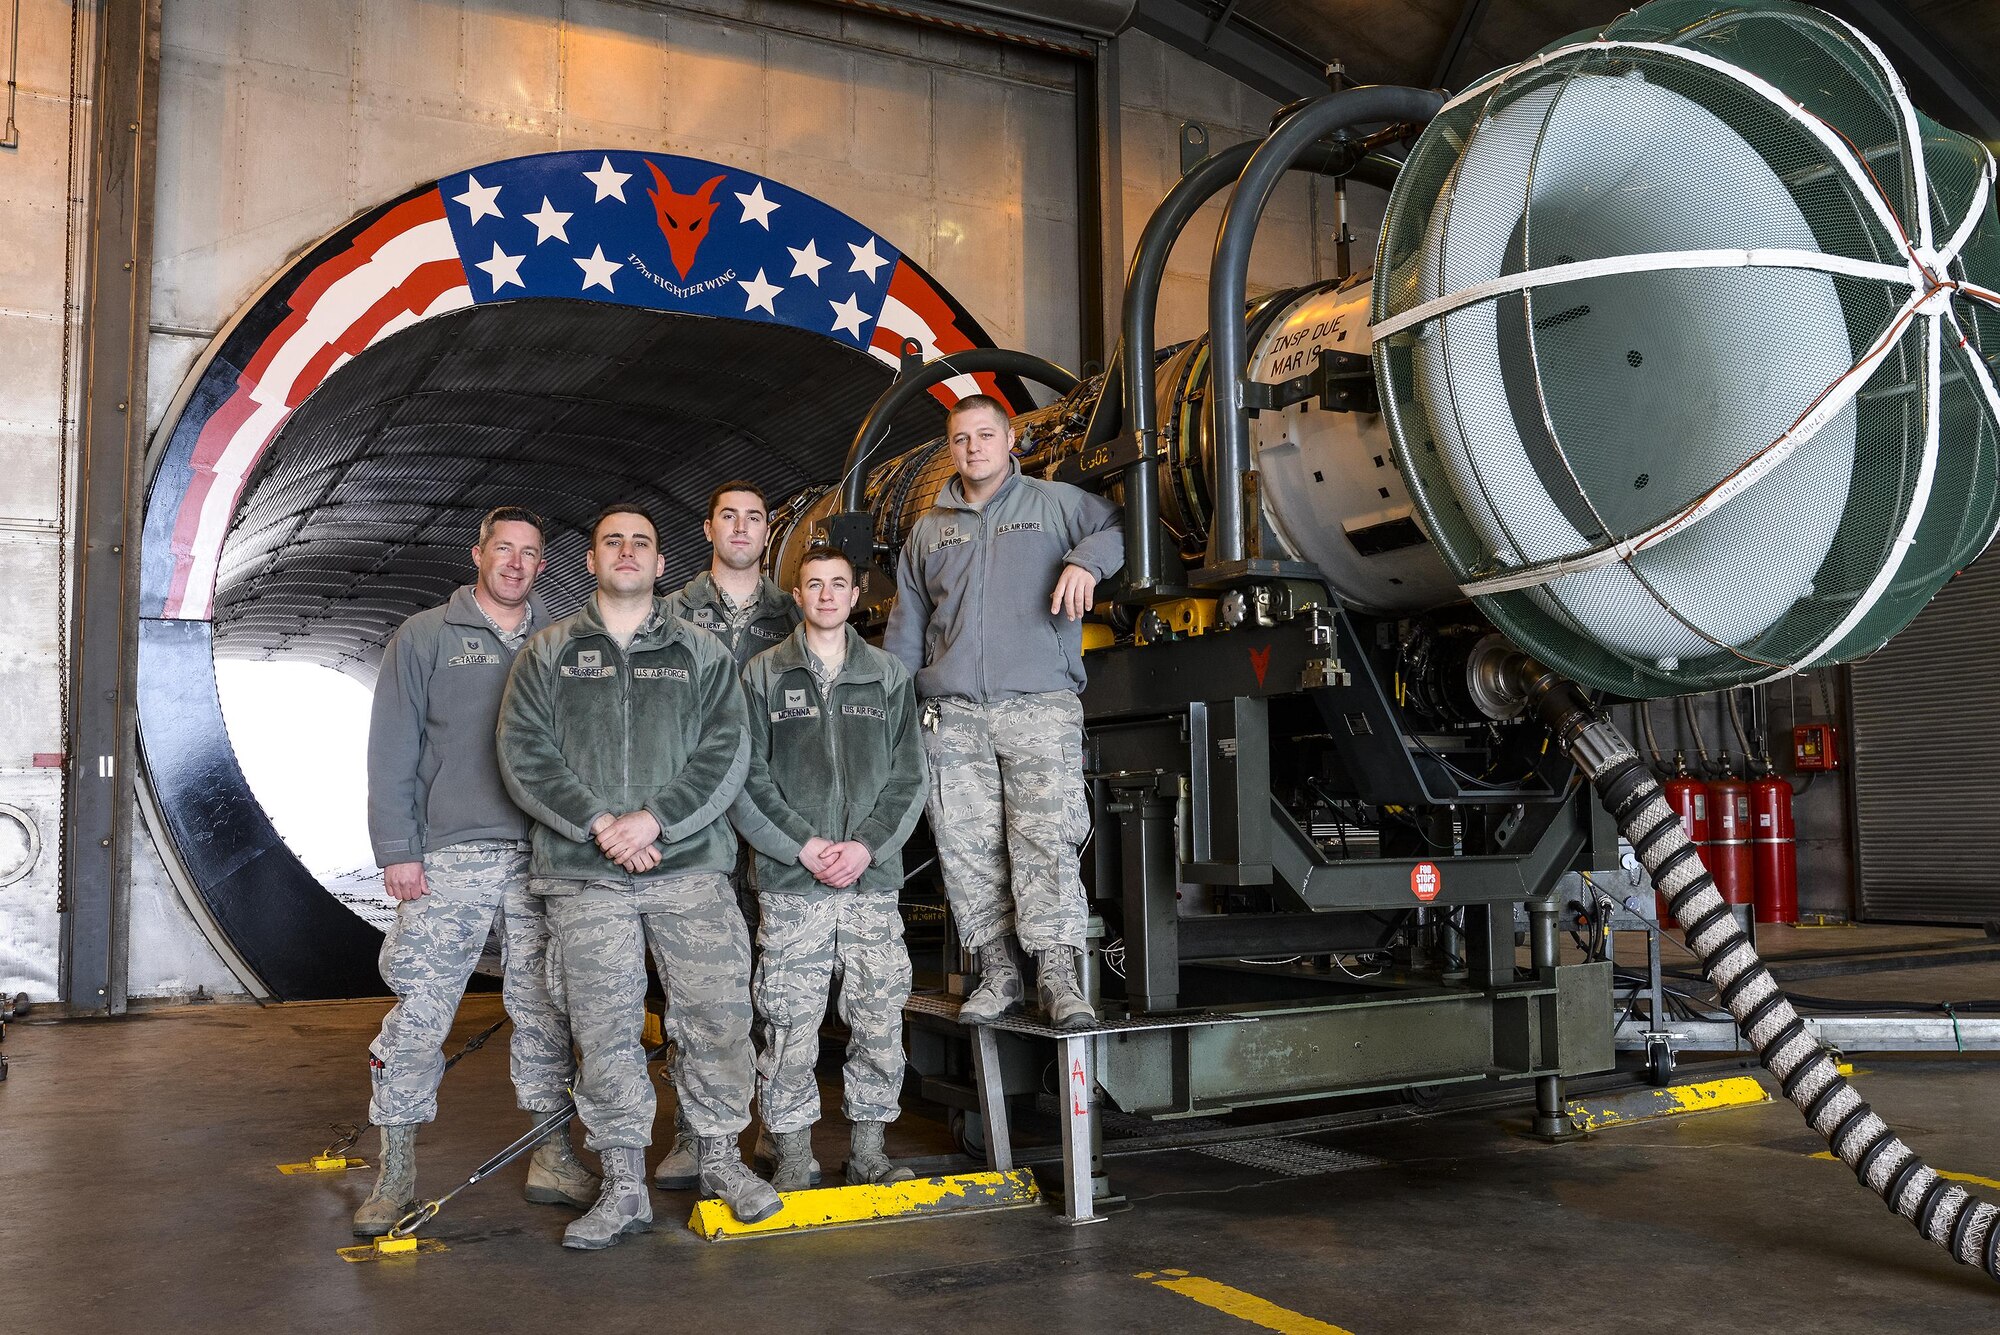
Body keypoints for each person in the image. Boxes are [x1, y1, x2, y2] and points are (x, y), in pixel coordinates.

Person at [497, 503, 779, 1250]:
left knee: (717, 1016)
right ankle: (623, 1183)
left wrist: (654, 820)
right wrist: (600, 824)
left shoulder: (702, 655)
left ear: (661, 566)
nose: (627, 551)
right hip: (585, 873)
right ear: (590, 562)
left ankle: (721, 1160)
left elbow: (725, 753)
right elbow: (526, 754)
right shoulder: (549, 652)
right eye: (611, 541)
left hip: (686, 868)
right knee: (603, 1028)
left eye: (642, 543)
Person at [355, 506, 595, 1238]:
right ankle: (394, 1174)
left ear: (543, 566)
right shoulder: (425, 636)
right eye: (504, 549)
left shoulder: (564, 641)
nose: (516, 562)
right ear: (478, 554)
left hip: (539, 854)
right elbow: (390, 745)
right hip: (449, 855)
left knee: (545, 1009)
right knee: (420, 1012)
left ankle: (552, 1156)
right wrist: (398, 847)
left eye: (530, 552)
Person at [883, 395, 1124, 1031]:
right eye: (961, 439)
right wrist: (896, 715)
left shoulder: (1054, 502)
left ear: (1010, 437)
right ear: (951, 447)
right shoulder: (929, 529)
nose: (973, 449)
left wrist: (1084, 561)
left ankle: (1058, 975)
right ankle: (998, 971)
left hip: (1039, 704)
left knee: (1045, 840)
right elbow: (908, 628)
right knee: (966, 846)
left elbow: (1120, 528)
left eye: (984, 435)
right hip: (952, 713)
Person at [730, 544, 925, 1190]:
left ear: (856, 593)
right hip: (794, 884)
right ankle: (789, 1152)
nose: (825, 595)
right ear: (799, 594)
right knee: (789, 1022)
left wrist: (866, 846)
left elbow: (909, 779)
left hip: (870, 883)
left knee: (877, 1016)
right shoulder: (762, 676)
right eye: (813, 584)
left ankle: (869, 1149)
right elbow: (748, 781)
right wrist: (804, 847)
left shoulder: (887, 676)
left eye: (837, 584)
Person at [655, 480, 805, 1190]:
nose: (741, 527)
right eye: (728, 516)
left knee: (781, 983)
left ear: (768, 530)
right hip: (702, 820)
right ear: (707, 526)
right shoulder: (671, 614)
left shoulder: (795, 611)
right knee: (700, 984)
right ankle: (696, 1131)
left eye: (754, 516)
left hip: (775, 817)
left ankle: (781, 1129)